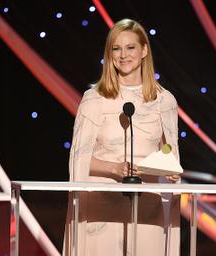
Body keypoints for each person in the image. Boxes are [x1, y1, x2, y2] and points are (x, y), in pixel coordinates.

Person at [63, 18, 181, 256]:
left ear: (144, 50)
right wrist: (115, 169)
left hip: (146, 206)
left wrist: (166, 166)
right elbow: (78, 159)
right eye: (116, 48)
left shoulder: (164, 101)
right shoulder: (94, 99)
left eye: (130, 48)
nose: (123, 55)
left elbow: (168, 151)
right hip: (102, 207)